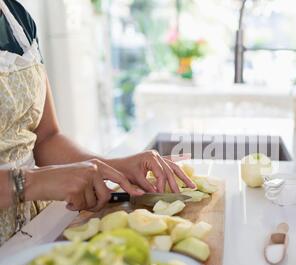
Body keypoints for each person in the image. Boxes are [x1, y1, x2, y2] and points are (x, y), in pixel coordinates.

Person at [0, 0, 195, 245]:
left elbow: (47, 138)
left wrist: (114, 167)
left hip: (35, 229)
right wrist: (32, 182)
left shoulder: (18, 19)